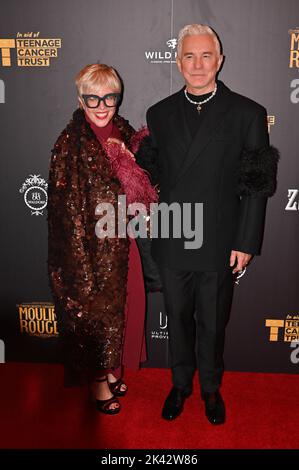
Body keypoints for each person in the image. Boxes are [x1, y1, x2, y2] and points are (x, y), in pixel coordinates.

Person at [137, 24, 279, 424]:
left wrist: (246, 241)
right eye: (189, 56)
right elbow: (154, 174)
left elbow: (256, 185)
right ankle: (180, 385)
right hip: (173, 235)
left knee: (213, 322)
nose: (197, 64)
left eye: (205, 55)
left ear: (219, 60)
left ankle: (211, 389)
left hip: (219, 239)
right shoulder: (159, 113)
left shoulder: (247, 113)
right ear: (178, 61)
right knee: (178, 317)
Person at [48, 63, 157, 414]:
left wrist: (130, 161)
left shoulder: (126, 134)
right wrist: (81, 267)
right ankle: (97, 382)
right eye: (92, 98)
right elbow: (65, 215)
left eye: (108, 97)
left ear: (117, 98)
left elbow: (145, 186)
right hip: (89, 252)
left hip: (124, 244)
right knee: (96, 314)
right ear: (81, 100)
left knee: (125, 309)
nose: (101, 105)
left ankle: (111, 372)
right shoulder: (69, 144)